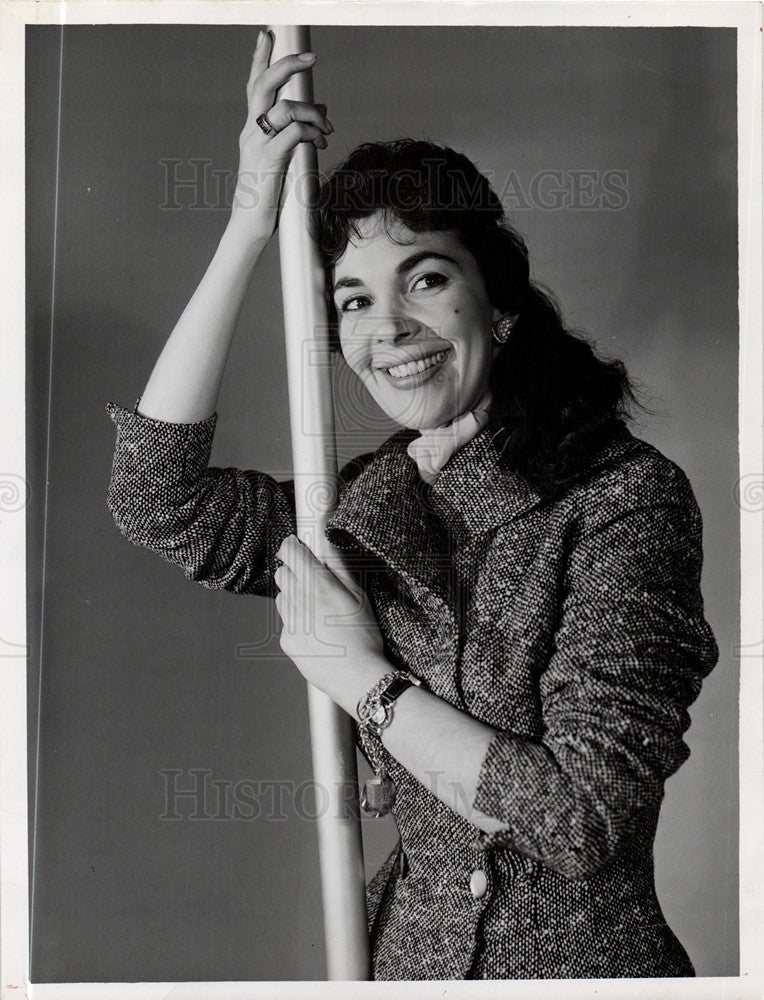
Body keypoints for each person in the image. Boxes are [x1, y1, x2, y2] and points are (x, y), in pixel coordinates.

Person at [106, 32, 719, 980]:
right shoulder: (360, 504)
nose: (386, 328)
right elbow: (156, 497)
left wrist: (364, 682)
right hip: (407, 964)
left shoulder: (625, 499)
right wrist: (245, 226)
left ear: (499, 308)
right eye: (351, 300)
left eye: (424, 279)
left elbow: (582, 816)